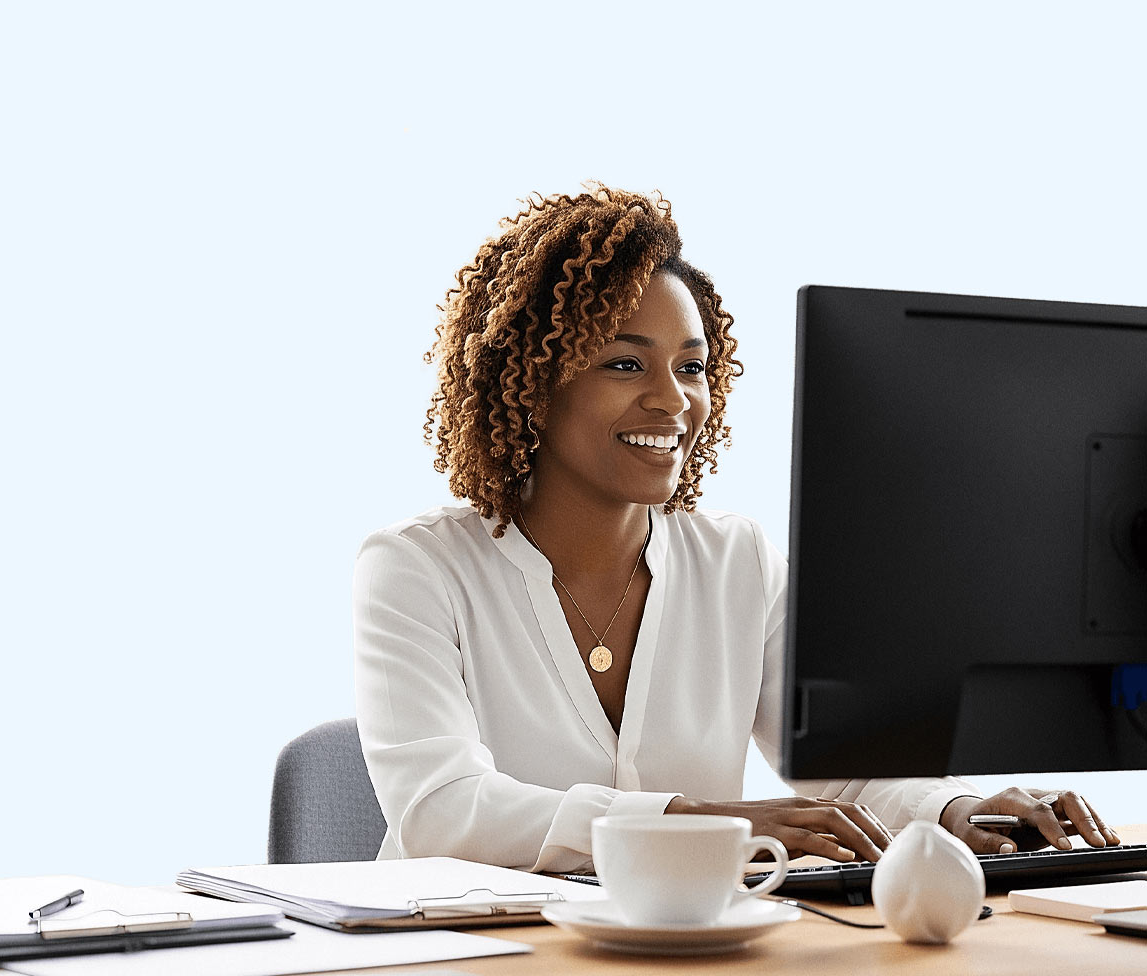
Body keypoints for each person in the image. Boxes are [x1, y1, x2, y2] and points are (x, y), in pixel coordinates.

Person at [352, 184, 1122, 874]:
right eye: (625, 365)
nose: (673, 400)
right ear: (529, 379)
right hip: (467, 951)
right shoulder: (417, 567)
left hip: (686, 946)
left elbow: (839, 772)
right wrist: (702, 822)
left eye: (691, 367)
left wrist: (954, 811)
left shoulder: (737, 561)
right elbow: (440, 812)